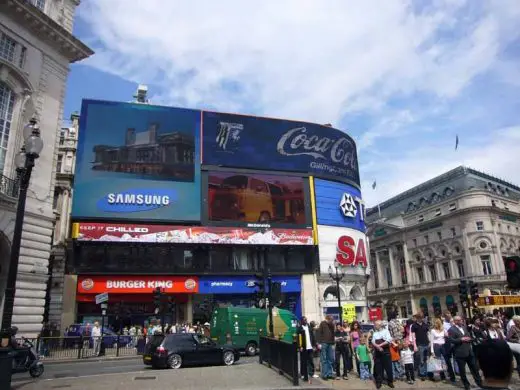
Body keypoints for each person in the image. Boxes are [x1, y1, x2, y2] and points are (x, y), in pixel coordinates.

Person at [448, 315, 482, 390]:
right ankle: (466, 384)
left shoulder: (464, 327)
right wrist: (461, 339)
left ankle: (479, 382)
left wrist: (470, 339)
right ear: (455, 321)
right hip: (460, 353)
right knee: (462, 371)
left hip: (469, 351)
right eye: (459, 320)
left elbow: (468, 336)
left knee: (474, 368)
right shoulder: (451, 329)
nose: (461, 321)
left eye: (461, 320)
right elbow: (451, 340)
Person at [372, 320, 394, 389]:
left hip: (385, 351)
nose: (374, 326)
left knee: (388, 368)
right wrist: (377, 346)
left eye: (375, 325)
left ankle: (390, 381)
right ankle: (379, 382)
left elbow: (388, 340)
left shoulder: (386, 331)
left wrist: (380, 345)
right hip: (378, 352)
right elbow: (372, 341)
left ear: (379, 325)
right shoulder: (375, 333)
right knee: (378, 368)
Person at [315, 315, 335, 381]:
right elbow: (319, 333)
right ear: (327, 319)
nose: (332, 321)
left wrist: (333, 343)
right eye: (331, 320)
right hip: (324, 343)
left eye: (332, 320)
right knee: (324, 359)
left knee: (330, 359)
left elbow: (332, 334)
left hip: (330, 343)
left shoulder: (331, 325)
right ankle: (324, 374)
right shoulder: (322, 323)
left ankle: (329, 374)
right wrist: (319, 343)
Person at [298, 316, 317, 383]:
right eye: (304, 320)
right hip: (304, 347)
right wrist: (300, 346)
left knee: (311, 360)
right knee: (303, 361)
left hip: (310, 347)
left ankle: (311, 373)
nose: (306, 321)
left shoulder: (309, 327)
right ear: (302, 321)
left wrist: (314, 345)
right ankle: (303, 374)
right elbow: (298, 338)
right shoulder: (300, 328)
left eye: (306, 320)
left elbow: (313, 336)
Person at [411, 313, 430, 381]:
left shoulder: (425, 324)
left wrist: (429, 341)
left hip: (426, 343)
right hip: (419, 344)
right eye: (420, 318)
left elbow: (428, 333)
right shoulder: (414, 325)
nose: (421, 319)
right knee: (421, 360)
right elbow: (413, 336)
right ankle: (422, 374)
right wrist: (415, 345)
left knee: (425, 359)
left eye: (422, 317)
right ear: (417, 318)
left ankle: (425, 372)